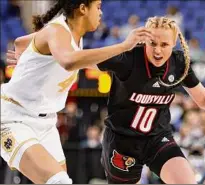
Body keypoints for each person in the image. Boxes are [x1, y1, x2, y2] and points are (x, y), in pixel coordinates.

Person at [1, 0, 153, 184]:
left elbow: (19, 42)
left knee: (60, 180)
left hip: (46, 123)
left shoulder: (74, 38)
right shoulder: (57, 30)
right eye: (98, 7)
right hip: (14, 117)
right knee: (59, 181)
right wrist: (123, 46)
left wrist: (24, 55)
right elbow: (69, 61)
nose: (101, 13)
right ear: (82, 8)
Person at [96, 16, 205, 184]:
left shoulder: (179, 62)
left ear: (173, 44)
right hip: (122, 141)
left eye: (164, 45)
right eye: (153, 44)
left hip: (157, 138)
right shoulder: (128, 58)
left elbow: (203, 99)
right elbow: (85, 61)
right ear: (144, 41)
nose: (158, 50)